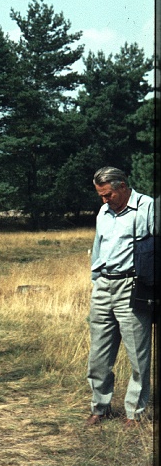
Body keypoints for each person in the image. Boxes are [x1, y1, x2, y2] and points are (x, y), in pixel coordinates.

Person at [86, 166, 154, 426]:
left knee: (138, 354)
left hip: (132, 286)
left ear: (123, 186)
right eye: (100, 195)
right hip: (104, 285)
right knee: (98, 354)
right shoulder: (104, 211)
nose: (104, 200)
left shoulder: (146, 208)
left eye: (108, 194)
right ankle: (99, 407)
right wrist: (96, 280)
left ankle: (134, 412)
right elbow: (98, 246)